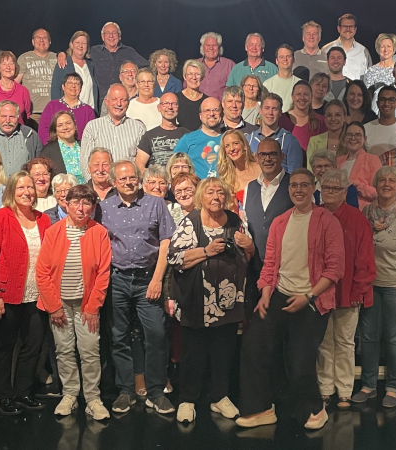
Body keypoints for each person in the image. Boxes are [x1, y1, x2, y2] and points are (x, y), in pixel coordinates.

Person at [237, 168, 343, 429]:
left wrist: (308, 296)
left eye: (304, 185)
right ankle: (260, 408)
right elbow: (270, 264)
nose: (298, 190)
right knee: (253, 347)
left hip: (312, 300)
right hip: (278, 295)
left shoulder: (327, 221)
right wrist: (265, 294)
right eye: (294, 185)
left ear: (313, 188)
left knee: (299, 362)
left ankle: (315, 410)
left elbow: (335, 269)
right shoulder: (280, 222)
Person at [166, 177, 252, 422]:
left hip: (228, 300)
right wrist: (206, 251)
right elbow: (174, 258)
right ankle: (187, 399)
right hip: (197, 301)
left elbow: (248, 256)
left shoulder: (235, 221)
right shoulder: (190, 222)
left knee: (223, 351)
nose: (216, 197)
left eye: (220, 193)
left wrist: (249, 246)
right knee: (193, 353)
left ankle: (219, 396)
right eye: (210, 192)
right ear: (201, 197)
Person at [98, 160, 177, 415]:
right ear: (114, 182)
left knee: (156, 334)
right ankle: (126, 391)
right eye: (122, 179)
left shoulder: (155, 204)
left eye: (132, 177)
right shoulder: (104, 208)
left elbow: (166, 242)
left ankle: (156, 391)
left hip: (147, 279)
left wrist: (157, 279)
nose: (128, 182)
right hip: (117, 279)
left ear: (139, 179)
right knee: (118, 336)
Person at [34, 183, 111, 419]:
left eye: (86, 203)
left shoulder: (99, 232)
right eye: (76, 202)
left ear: (93, 207)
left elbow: (103, 273)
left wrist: (93, 307)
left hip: (87, 305)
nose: (80, 208)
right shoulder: (53, 232)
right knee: (64, 350)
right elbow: (42, 272)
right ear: (66, 205)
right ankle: (69, 394)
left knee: (90, 350)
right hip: (59, 305)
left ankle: (93, 398)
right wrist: (53, 306)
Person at [0, 170, 51, 415]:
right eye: (20, 188)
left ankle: (23, 392)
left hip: (36, 295)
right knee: (4, 346)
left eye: (30, 187)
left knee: (33, 345)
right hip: (5, 295)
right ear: (11, 191)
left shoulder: (43, 219)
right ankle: (3, 395)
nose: (26, 192)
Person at [352, 166, 396, 408]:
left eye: (392, 181)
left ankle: (392, 387)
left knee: (394, 338)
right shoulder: (367, 212)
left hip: (395, 285)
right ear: (376, 184)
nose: (387, 184)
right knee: (368, 337)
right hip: (369, 284)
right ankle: (368, 386)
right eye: (382, 180)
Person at [315, 170, 375, 409]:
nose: (330, 192)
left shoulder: (357, 218)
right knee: (324, 342)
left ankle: (344, 391)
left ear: (344, 192)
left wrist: (359, 291)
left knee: (345, 343)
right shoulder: (314, 215)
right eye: (326, 188)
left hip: (348, 291)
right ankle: (325, 389)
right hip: (320, 292)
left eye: (335, 189)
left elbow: (365, 258)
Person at [245, 140, 294, 270]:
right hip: (255, 267)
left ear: (282, 156)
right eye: (263, 154)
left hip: (287, 265)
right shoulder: (250, 187)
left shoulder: (294, 185)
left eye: (273, 154)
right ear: (256, 158)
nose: (267, 159)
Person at [81, 84, 147, 163]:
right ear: (106, 102)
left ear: (128, 103)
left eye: (123, 100)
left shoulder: (139, 128)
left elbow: (141, 164)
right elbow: (85, 162)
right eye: (114, 99)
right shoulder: (92, 127)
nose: (118, 103)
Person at [247, 94, 305, 173]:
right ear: (260, 110)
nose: (270, 112)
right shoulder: (249, 140)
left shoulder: (290, 141)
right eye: (267, 108)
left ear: (280, 113)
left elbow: (295, 175)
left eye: (274, 109)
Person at [90, 22, 148, 96]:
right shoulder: (94, 51)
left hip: (123, 98)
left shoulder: (129, 51)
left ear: (119, 36)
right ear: (102, 36)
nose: (111, 36)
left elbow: (146, 67)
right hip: (100, 98)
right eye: (107, 33)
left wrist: (137, 84)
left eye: (114, 33)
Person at [135, 93, 188, 172]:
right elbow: (139, 165)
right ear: (159, 108)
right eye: (165, 104)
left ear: (178, 108)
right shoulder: (149, 136)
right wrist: (153, 177)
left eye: (174, 104)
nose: (170, 107)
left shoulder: (187, 135)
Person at [39, 73, 97, 145]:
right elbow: (43, 130)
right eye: (69, 83)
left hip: (81, 148)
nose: (73, 86)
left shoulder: (88, 110)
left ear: (81, 88)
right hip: (55, 148)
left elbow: (92, 133)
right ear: (63, 86)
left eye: (77, 84)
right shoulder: (52, 106)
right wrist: (51, 147)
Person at [173, 97, 224, 178]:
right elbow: (174, 167)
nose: (211, 114)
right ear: (200, 116)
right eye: (207, 110)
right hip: (197, 185)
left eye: (216, 110)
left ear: (222, 114)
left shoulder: (229, 139)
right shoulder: (187, 139)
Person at [49, 31, 98, 111]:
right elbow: (55, 88)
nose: (80, 46)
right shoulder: (64, 62)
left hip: (89, 111)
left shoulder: (91, 65)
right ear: (71, 44)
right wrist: (58, 111)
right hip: (69, 112)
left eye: (84, 43)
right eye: (77, 42)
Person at [337, 121, 382, 208]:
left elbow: (378, 192)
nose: (353, 138)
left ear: (364, 139)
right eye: (349, 135)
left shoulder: (372, 160)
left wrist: (355, 184)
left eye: (357, 135)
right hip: (338, 209)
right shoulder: (338, 161)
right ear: (344, 138)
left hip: (362, 210)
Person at [17, 29, 57, 121]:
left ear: (50, 41)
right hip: (32, 113)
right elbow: (15, 83)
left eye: (45, 38)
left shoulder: (56, 58)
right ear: (33, 41)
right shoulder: (24, 58)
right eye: (38, 37)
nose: (41, 40)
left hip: (53, 112)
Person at [217, 130, 259, 209]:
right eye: (227, 146)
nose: (232, 148)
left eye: (235, 143)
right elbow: (234, 211)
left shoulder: (261, 165)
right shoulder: (229, 179)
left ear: (244, 146)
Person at [39, 111, 86, 184]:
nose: (65, 127)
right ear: (55, 130)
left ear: (75, 126)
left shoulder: (85, 146)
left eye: (68, 123)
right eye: (60, 125)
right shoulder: (48, 151)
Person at [323, 14, 373, 81]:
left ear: (355, 29)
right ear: (338, 28)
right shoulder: (326, 50)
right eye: (345, 26)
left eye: (351, 26)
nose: (348, 29)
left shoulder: (363, 51)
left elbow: (369, 78)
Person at [284, 81, 326, 151]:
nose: (302, 98)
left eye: (306, 94)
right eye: (298, 94)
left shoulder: (321, 122)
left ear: (311, 97)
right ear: (292, 97)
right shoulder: (282, 119)